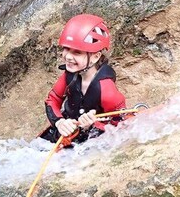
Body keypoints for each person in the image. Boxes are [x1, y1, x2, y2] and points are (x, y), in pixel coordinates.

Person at [40, 14, 127, 147]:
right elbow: (52, 100)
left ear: (95, 56)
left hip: (93, 141)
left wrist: (93, 125)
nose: (68, 56)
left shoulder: (106, 90)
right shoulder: (69, 75)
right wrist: (59, 122)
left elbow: (121, 123)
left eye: (77, 52)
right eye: (66, 49)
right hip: (66, 133)